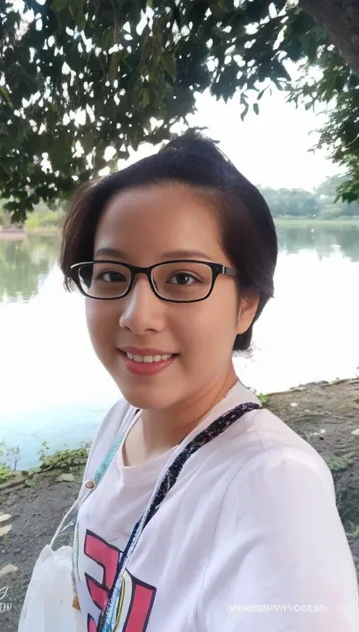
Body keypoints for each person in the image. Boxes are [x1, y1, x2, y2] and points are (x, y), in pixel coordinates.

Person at [58, 130, 359, 631]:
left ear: (247, 304)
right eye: (113, 274)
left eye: (182, 278)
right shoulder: (122, 423)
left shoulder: (272, 487)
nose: (137, 316)